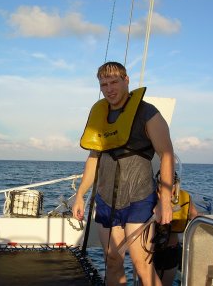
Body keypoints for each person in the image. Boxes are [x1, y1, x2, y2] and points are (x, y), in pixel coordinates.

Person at [73, 61, 175, 286]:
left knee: (142, 265)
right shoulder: (99, 116)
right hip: (106, 200)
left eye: (113, 82)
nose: (109, 89)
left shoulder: (147, 113)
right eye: (103, 84)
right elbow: (93, 159)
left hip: (138, 199)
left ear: (126, 80)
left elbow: (167, 155)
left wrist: (165, 201)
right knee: (112, 259)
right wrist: (80, 194)